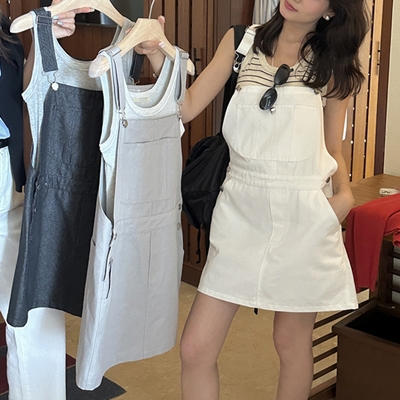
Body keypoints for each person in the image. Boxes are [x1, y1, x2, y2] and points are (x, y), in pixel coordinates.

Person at [136, 1, 369, 399]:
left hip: (303, 215)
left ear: (332, 9)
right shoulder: (242, 42)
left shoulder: (333, 63)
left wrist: (344, 195)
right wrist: (158, 53)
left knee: (290, 343)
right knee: (195, 348)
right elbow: (186, 107)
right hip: (240, 210)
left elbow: (334, 146)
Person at [0, 3, 92, 399]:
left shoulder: (4, 31)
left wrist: (43, 40)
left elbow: (20, 92)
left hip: (11, 191)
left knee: (35, 321)